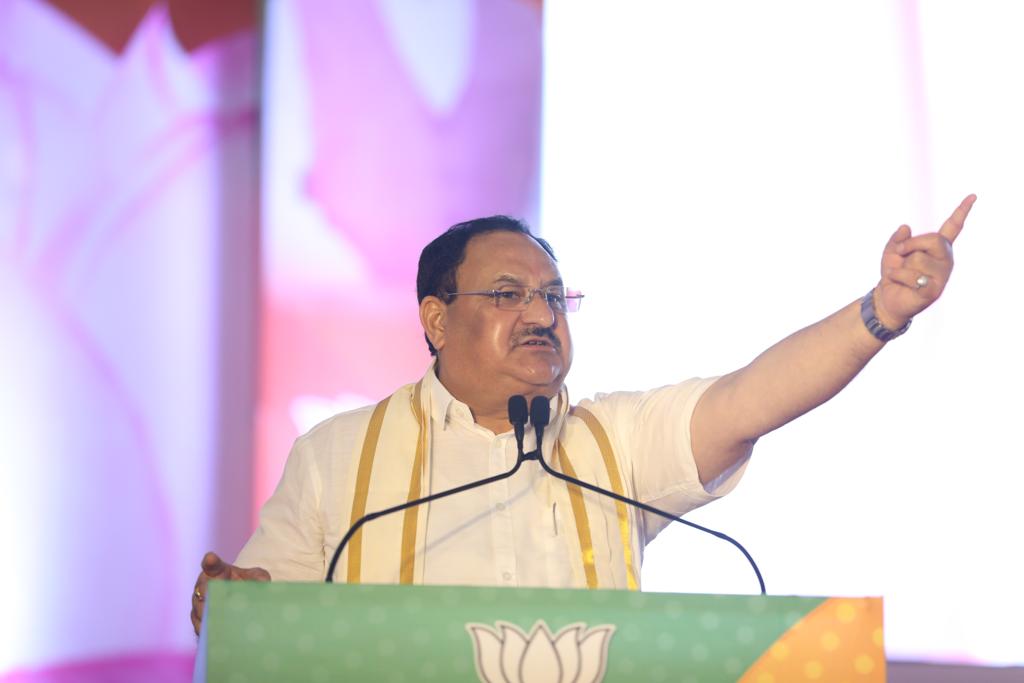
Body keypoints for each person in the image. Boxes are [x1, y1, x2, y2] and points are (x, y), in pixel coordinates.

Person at [191, 196, 976, 635]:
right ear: (435, 319)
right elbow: (263, 620)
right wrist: (233, 604)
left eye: (552, 295)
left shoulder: (612, 442)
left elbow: (752, 398)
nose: (540, 314)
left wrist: (880, 312)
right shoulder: (339, 454)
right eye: (507, 295)